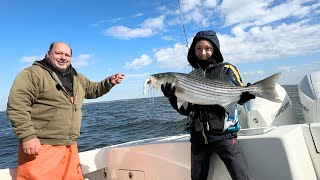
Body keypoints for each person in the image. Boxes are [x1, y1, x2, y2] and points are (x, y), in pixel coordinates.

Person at [7, 42, 124, 180]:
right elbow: (17, 105)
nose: (63, 57)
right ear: (48, 54)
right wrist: (27, 136)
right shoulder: (32, 74)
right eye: (58, 53)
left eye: (67, 55)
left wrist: (109, 82)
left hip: (70, 146)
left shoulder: (76, 77)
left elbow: (93, 90)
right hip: (42, 147)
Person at [161, 30, 255, 180]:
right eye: (198, 48)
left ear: (215, 49)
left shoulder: (227, 69)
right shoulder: (190, 77)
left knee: (241, 177)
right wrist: (172, 97)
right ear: (193, 51)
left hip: (225, 136)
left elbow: (238, 95)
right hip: (198, 139)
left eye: (207, 48)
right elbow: (185, 111)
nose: (203, 52)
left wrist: (247, 95)